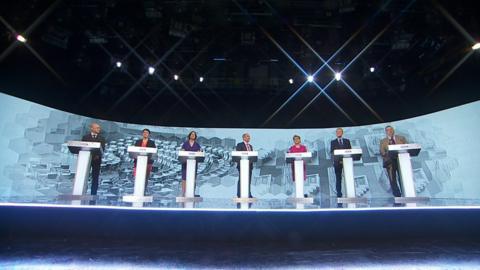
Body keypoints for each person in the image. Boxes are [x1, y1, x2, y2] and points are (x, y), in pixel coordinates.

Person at [380, 125, 407, 197]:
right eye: (388, 130)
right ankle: (397, 196)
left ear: (393, 130)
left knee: (404, 178)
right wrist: (389, 153)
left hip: (402, 160)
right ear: (386, 132)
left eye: (391, 129)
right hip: (390, 162)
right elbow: (382, 152)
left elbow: (407, 148)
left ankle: (406, 193)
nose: (390, 131)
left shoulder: (401, 138)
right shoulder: (383, 141)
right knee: (392, 179)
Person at [81, 122, 106, 196]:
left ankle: (93, 195)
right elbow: (82, 147)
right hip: (85, 160)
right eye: (97, 128)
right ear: (92, 128)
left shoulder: (102, 138)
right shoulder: (85, 137)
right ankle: (82, 192)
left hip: (96, 160)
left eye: (99, 128)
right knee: (84, 176)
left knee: (95, 178)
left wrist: (97, 155)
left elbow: (102, 149)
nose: (99, 129)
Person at [330, 128, 352, 198]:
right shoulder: (333, 142)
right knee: (338, 178)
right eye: (337, 132)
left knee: (349, 177)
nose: (338, 133)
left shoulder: (347, 141)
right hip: (337, 162)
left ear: (342, 133)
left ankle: (350, 193)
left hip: (347, 162)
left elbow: (350, 151)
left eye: (340, 132)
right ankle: (339, 194)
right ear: (336, 133)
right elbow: (332, 152)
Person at [180, 131, 202, 197]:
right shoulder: (185, 144)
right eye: (192, 134)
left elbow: (200, 151)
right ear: (189, 135)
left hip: (193, 164)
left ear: (195, 136)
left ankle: (192, 192)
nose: (193, 135)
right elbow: (182, 151)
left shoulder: (197, 144)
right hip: (185, 164)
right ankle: (183, 193)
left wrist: (200, 151)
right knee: (184, 178)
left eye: (194, 134)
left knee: (193, 178)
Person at [236, 133, 254, 198]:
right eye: (247, 136)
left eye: (249, 136)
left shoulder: (251, 146)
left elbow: (252, 156)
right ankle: (239, 194)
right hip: (242, 166)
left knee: (248, 180)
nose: (249, 137)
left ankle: (248, 194)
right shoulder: (239, 145)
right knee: (241, 180)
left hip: (249, 166)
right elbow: (238, 154)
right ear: (243, 138)